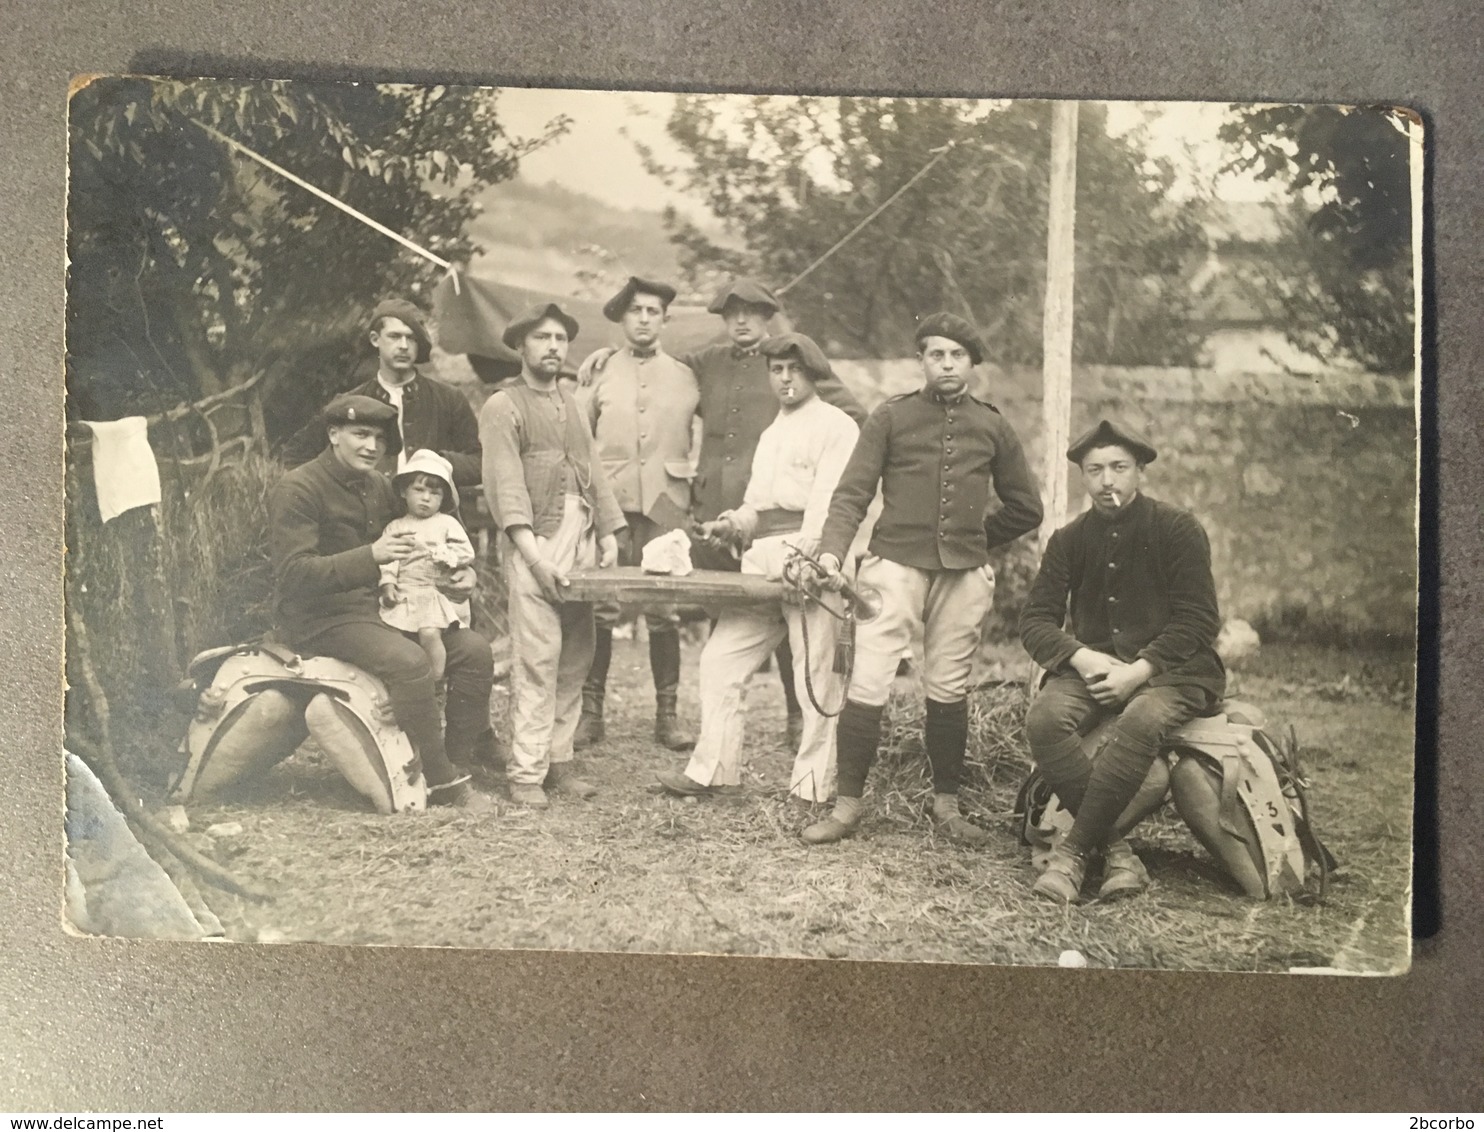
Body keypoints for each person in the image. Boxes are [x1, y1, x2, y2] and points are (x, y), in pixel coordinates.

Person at [805, 312, 1043, 845]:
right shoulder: (890, 417)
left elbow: (1028, 508)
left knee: (949, 686)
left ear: (972, 364)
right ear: (922, 360)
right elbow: (851, 494)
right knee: (866, 682)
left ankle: (947, 806)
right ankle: (846, 808)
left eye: (958, 355)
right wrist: (832, 552)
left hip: (963, 576)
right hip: (894, 568)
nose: (947, 364)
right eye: (937, 354)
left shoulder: (992, 425)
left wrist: (978, 539)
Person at [1019, 419, 1226, 902]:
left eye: (1119, 468)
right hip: (1098, 668)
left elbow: (1199, 621)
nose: (1107, 481)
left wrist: (1139, 671)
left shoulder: (1176, 528)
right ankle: (1116, 851)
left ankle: (1071, 856)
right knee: (1045, 719)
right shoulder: (1069, 540)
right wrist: (1081, 656)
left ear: (1140, 473)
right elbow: (1035, 622)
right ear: (1084, 477)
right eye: (1095, 470)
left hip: (1173, 670)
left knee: (1140, 718)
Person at [267, 394, 497, 812]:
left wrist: (465, 573)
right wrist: (371, 556)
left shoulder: (376, 483)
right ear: (333, 434)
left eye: (378, 437)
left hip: (385, 609)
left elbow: (423, 532)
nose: (371, 446)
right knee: (411, 662)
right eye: (360, 434)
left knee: (474, 652)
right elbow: (294, 576)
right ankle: (445, 786)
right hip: (324, 617)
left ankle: (452, 763)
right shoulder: (299, 487)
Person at [656, 332, 860, 803]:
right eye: (776, 370)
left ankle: (812, 788)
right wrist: (732, 523)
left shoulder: (836, 426)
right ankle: (714, 771)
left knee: (816, 677)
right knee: (720, 659)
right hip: (761, 560)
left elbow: (830, 505)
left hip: (810, 561)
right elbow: (758, 506)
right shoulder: (774, 429)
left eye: (794, 369)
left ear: (813, 372)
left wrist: (806, 561)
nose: (785, 379)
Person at [480, 303, 624, 808]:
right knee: (537, 659)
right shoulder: (504, 405)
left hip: (579, 536)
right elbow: (505, 483)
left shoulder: (571, 400)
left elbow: (594, 470)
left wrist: (608, 530)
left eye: (561, 338)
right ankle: (525, 773)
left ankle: (557, 761)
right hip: (535, 541)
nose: (553, 347)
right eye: (542, 338)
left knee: (576, 657)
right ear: (521, 347)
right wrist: (532, 555)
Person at [572, 276, 701, 752]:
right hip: (612, 502)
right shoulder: (599, 373)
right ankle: (591, 713)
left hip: (667, 504)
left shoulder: (687, 375)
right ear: (622, 320)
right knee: (600, 606)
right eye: (635, 311)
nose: (644, 319)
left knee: (663, 608)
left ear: (665, 318)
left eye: (653, 311)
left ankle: (667, 716)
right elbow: (579, 441)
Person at [281, 298, 483, 487]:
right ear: (375, 339)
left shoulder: (448, 399)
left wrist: (439, 463)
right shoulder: (350, 402)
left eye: (411, 339)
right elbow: (296, 455)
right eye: (394, 337)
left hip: (429, 514)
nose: (403, 346)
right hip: (368, 517)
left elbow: (480, 462)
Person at [377, 449, 477, 682]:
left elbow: (466, 551)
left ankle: (435, 680)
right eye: (418, 490)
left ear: (443, 498)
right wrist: (388, 583)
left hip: (433, 592)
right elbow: (389, 559)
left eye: (434, 493)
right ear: (404, 492)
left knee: (429, 633)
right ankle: (402, 681)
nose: (426, 498)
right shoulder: (396, 526)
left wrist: (448, 555)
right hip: (407, 591)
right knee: (394, 637)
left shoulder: (446, 523)